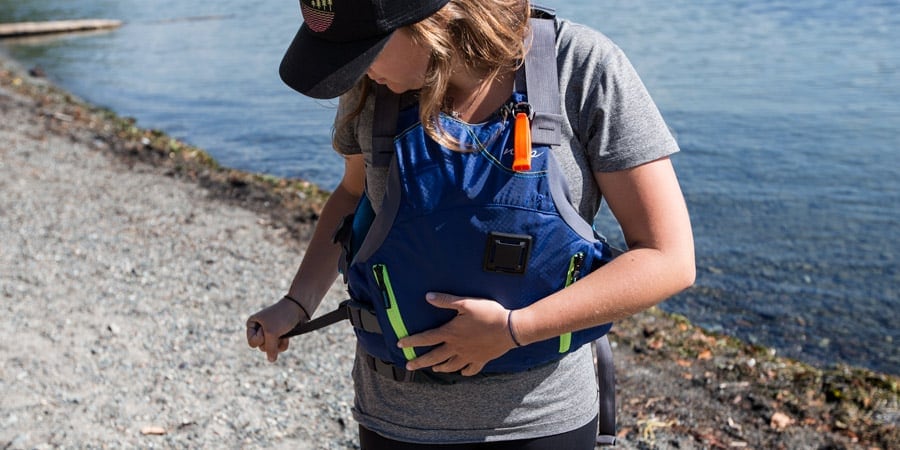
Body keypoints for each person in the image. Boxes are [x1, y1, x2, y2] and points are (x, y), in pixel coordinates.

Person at [246, 0, 695, 448]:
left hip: (542, 419)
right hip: (395, 419)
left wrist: (516, 329)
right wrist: (297, 303)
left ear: (425, 23)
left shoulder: (579, 66)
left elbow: (668, 258)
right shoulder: (370, 87)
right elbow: (353, 194)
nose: (352, 72)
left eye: (363, 53)